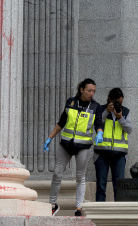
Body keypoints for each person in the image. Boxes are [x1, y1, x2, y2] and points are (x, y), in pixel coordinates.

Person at [43, 78, 104, 216]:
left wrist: (99, 133)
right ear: (81, 89)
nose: (91, 93)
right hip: (66, 143)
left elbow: (98, 124)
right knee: (57, 173)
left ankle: (78, 208)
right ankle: (53, 205)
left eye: (93, 91)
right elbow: (62, 122)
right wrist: (50, 137)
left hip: (83, 146)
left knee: (80, 176)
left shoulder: (96, 107)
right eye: (89, 90)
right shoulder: (71, 102)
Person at [93, 88, 132, 202]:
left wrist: (120, 118)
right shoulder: (100, 109)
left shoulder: (125, 111)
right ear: (110, 99)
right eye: (116, 102)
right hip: (101, 154)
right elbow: (97, 123)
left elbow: (129, 130)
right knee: (101, 186)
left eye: (120, 102)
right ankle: (99, 214)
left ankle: (119, 213)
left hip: (119, 154)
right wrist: (106, 111)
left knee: (119, 187)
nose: (118, 104)